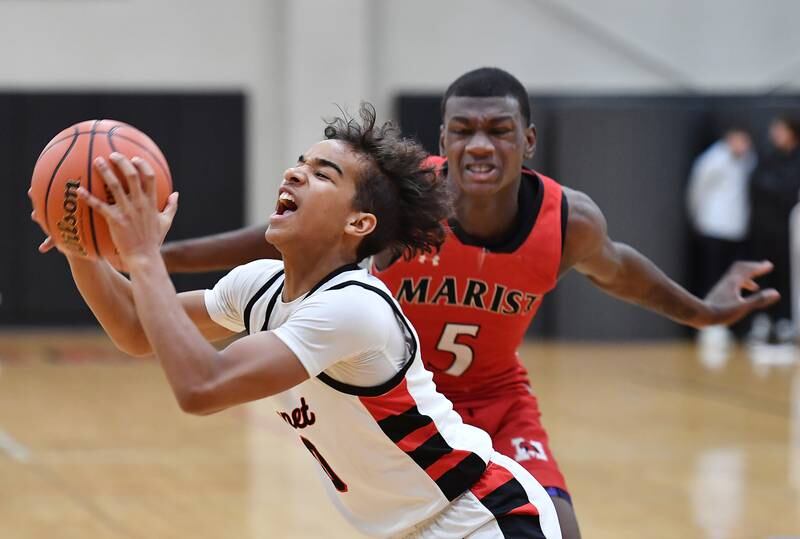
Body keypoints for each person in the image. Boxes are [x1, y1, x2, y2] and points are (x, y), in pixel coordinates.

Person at [156, 68, 780, 539]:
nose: (480, 145)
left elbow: (622, 274)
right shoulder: (410, 200)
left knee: (558, 525)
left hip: (498, 398)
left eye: (499, 131)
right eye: (463, 130)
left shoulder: (567, 221)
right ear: (444, 140)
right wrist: (160, 255)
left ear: (528, 140)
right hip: (402, 397)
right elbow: (286, 233)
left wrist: (703, 311)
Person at [30, 105, 562, 539]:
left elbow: (202, 387)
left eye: (322, 174)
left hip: (482, 517)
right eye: (300, 163)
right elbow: (135, 328)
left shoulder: (355, 307)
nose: (294, 173)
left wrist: (145, 257)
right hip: (414, 527)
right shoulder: (259, 285)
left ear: (359, 222)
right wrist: (81, 245)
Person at [685, 128, 757, 347]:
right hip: (713, 227)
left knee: (734, 279)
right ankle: (709, 324)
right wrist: (697, 218)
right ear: (729, 138)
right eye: (739, 141)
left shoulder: (749, 160)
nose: (742, 146)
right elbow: (697, 191)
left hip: (737, 229)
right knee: (712, 277)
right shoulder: (712, 160)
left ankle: (731, 324)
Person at [748, 115, 800, 343]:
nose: (775, 134)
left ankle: (785, 321)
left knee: (788, 276)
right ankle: (762, 320)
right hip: (765, 230)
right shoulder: (766, 157)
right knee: (762, 274)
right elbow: (756, 185)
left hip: (790, 232)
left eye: (780, 130)